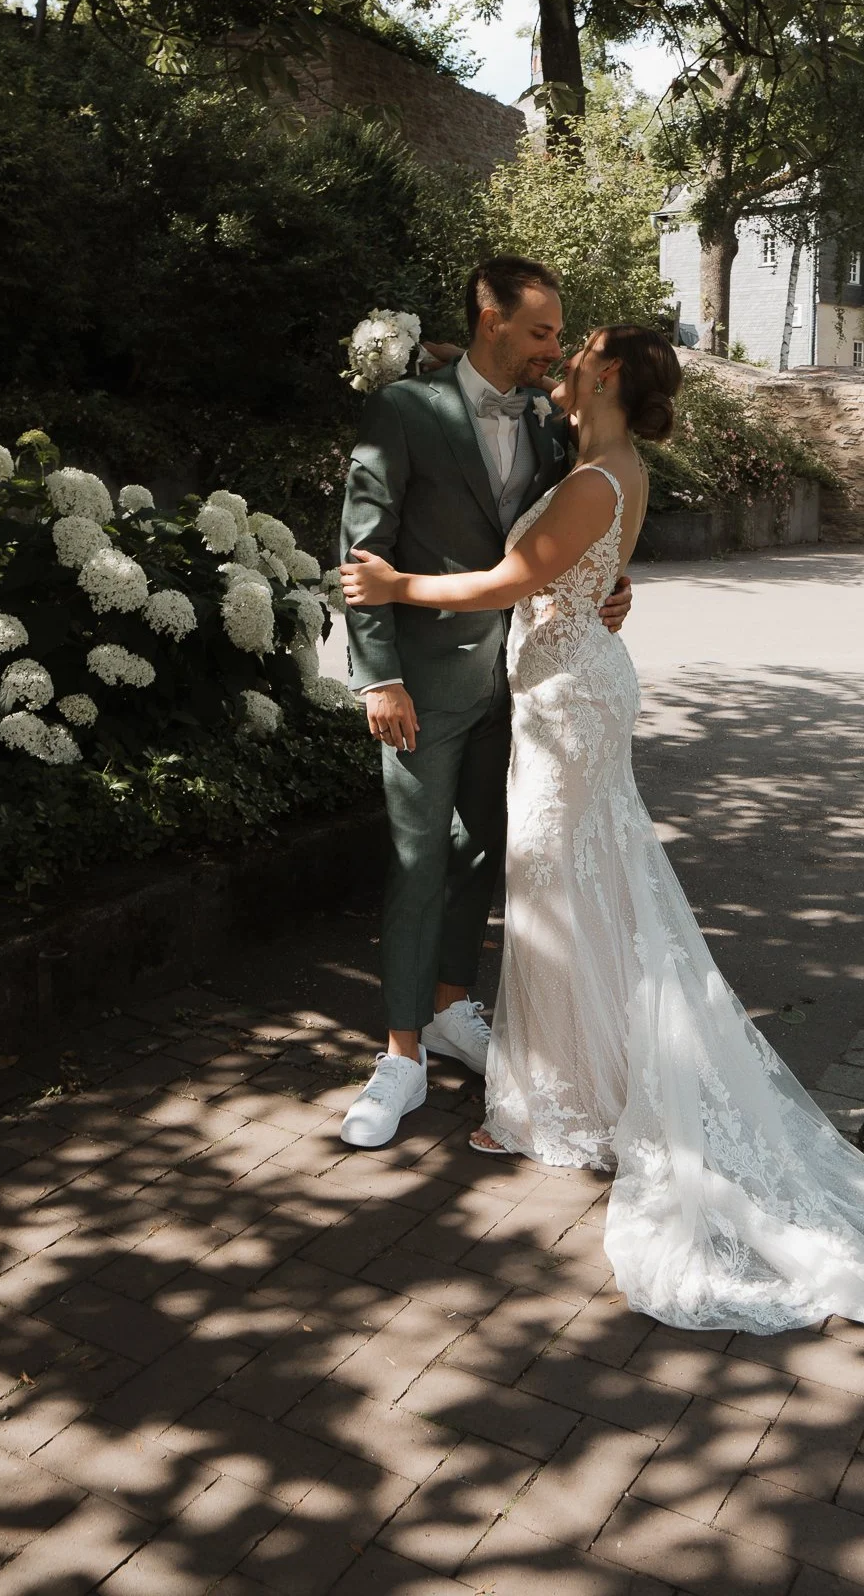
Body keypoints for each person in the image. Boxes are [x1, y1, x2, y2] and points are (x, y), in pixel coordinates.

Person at [341, 323, 864, 1335]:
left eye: (577, 350)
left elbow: (514, 581)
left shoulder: (599, 477)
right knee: (572, 886)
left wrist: (396, 587)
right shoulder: (594, 464)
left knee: (566, 885)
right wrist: (597, 586)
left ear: (601, 374)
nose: (561, 360)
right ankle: (568, 1089)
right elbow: (571, 572)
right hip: (567, 691)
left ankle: (560, 1104)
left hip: (570, 703)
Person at [337, 257, 631, 1149]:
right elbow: (361, 555)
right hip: (420, 686)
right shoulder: (404, 411)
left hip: (522, 683)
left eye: (558, 336)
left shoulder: (549, 422)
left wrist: (611, 590)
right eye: (540, 331)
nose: (552, 349)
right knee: (415, 859)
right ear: (489, 318)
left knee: (477, 854)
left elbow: (562, 539)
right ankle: (397, 1058)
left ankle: (449, 1007)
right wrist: (376, 676)